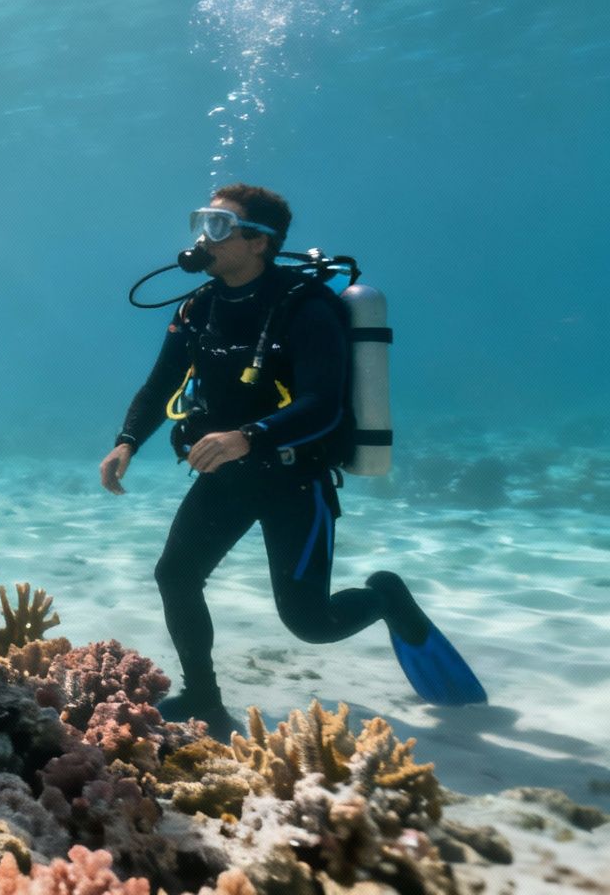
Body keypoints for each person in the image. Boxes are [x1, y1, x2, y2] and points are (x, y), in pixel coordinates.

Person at [99, 184, 485, 733]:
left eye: (218, 226)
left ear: (259, 242)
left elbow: (322, 405)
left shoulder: (305, 307)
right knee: (176, 576)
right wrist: (127, 441)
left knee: (312, 624)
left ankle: (385, 597)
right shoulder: (199, 306)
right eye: (200, 223)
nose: (200, 239)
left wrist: (248, 436)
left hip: (294, 480)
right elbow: (160, 381)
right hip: (226, 474)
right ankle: (204, 698)